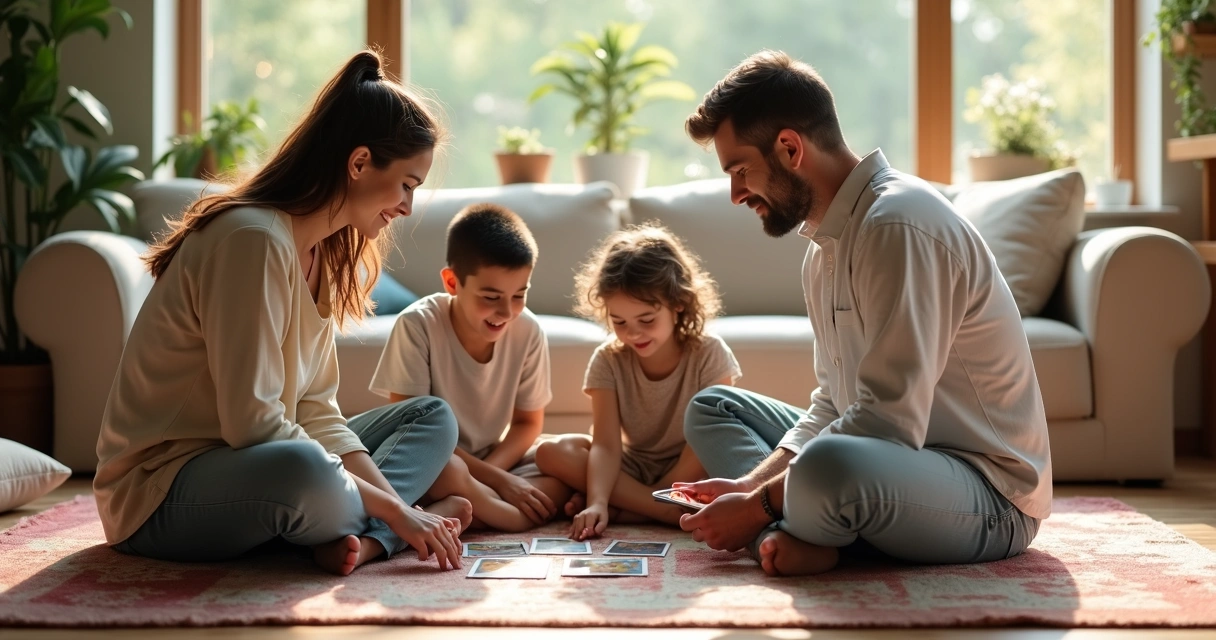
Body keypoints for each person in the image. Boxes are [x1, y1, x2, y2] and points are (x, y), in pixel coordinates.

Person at [675, 50, 1052, 577]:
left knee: (825, 466)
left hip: (987, 493)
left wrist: (761, 501)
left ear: (789, 148)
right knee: (713, 408)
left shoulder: (898, 224)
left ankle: (785, 527)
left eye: (740, 170)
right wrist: (747, 485)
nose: (736, 194)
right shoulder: (823, 249)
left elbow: (887, 423)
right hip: (886, 463)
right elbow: (835, 401)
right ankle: (797, 531)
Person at [94, 50, 470, 577]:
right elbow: (253, 424)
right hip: (162, 491)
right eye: (407, 184)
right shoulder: (253, 239)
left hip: (255, 467)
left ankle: (368, 538)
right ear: (359, 163)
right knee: (306, 472)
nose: (407, 206)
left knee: (431, 417)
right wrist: (399, 509)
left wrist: (399, 511)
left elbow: (315, 408)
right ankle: (374, 530)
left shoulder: (324, 253)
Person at [369, 203, 569, 532]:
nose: (506, 312)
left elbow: (527, 423)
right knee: (445, 471)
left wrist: (496, 476)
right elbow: (413, 436)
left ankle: (464, 506)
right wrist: (498, 483)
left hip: (491, 461)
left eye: (519, 295)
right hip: (435, 460)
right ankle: (494, 512)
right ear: (452, 282)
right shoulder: (418, 325)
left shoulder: (528, 330)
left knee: (567, 458)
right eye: (490, 297)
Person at [536, 223, 742, 541]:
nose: (633, 333)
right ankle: (661, 511)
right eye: (619, 322)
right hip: (635, 464)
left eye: (646, 320)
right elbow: (606, 443)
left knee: (725, 457)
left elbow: (711, 439)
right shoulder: (608, 359)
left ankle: (637, 506)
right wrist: (598, 502)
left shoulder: (709, 352)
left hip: (692, 466)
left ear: (678, 303)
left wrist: (627, 496)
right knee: (551, 451)